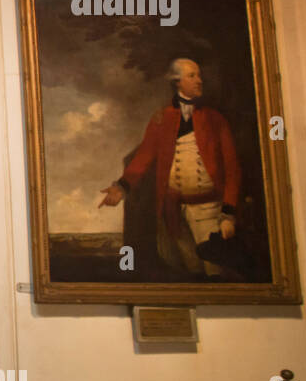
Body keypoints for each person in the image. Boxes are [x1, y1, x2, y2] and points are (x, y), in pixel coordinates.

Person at [97, 57, 240, 277]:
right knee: (190, 270)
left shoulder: (215, 119)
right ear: (177, 82)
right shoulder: (162, 118)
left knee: (216, 272)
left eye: (199, 75)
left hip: (209, 210)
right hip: (173, 211)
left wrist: (228, 214)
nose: (199, 80)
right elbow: (143, 157)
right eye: (192, 76)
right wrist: (121, 187)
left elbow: (232, 168)